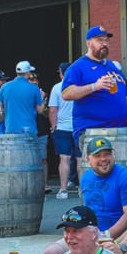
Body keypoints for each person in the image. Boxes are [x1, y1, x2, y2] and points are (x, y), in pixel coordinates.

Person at [61, 24, 127, 139]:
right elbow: (66, 94)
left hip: (120, 131)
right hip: (94, 132)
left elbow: (124, 96)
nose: (104, 43)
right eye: (99, 40)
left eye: (106, 40)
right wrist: (95, 86)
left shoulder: (111, 65)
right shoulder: (78, 67)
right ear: (88, 43)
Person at [47, 61, 77, 197]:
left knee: (64, 158)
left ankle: (63, 189)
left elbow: (52, 109)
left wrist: (53, 126)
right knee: (81, 159)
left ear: (61, 73)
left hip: (62, 127)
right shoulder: (80, 86)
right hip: (78, 127)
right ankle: (83, 190)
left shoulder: (57, 88)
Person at [1, 60, 46, 138]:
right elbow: (40, 110)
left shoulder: (5, 87)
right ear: (28, 72)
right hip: (29, 130)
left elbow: (0, 108)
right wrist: (42, 99)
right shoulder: (34, 88)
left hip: (10, 129)